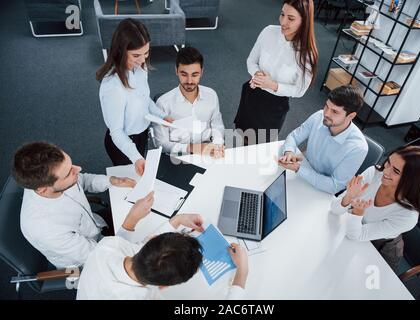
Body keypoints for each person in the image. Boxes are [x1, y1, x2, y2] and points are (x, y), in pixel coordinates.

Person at [12, 141, 154, 269]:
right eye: (69, 173)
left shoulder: (55, 179)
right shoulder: (46, 229)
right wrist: (131, 221)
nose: (78, 169)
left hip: (96, 225)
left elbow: (83, 180)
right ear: (43, 189)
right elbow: (101, 255)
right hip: (89, 260)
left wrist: (112, 180)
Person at [76, 214, 248, 300]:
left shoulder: (108, 246)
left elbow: (142, 246)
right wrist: (242, 272)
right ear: (163, 287)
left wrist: (177, 220)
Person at [330, 146, 420, 269]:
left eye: (396, 171)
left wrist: (357, 212)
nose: (386, 171)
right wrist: (348, 197)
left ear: (410, 179)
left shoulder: (408, 216)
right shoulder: (374, 173)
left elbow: (355, 235)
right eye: (388, 162)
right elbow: (334, 209)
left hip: (380, 248)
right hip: (352, 227)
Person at [234, 0, 318, 144]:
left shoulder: (306, 54)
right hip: (252, 94)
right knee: (239, 137)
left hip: (273, 107)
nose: (283, 22)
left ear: (304, 21)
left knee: (259, 149)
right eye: (282, 14)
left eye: (291, 18)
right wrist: (257, 74)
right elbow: (251, 61)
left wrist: (272, 85)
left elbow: (299, 90)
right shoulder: (268, 32)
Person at [96, 18, 173, 176]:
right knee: (129, 183)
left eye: (146, 53)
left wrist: (162, 116)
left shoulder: (140, 69)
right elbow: (116, 132)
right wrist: (136, 157)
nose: (143, 59)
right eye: (136, 55)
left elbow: (145, 100)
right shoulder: (113, 87)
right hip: (122, 142)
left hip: (141, 134)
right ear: (120, 51)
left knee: (140, 178)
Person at [278, 85, 368, 194]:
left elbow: (335, 185)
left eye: (335, 111)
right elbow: (294, 136)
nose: (326, 113)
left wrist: (298, 169)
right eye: (326, 106)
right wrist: (289, 152)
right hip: (302, 170)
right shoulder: (319, 116)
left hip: (321, 189)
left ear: (351, 116)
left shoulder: (358, 148)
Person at [153, 47, 225, 157]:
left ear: (202, 72)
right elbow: (161, 143)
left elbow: (218, 127)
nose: (189, 81)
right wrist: (192, 148)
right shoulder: (163, 103)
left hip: (207, 152)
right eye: (184, 74)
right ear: (176, 71)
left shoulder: (212, 95)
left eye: (195, 74)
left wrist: (217, 145)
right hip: (178, 156)